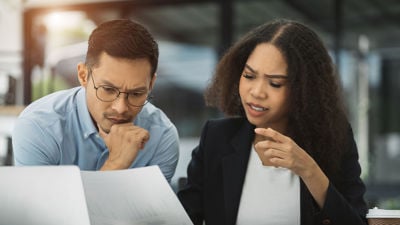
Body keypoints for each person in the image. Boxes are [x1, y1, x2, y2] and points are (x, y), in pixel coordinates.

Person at [178, 19, 367, 225]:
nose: (257, 92)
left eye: (275, 83)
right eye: (249, 76)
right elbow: (183, 218)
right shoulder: (217, 137)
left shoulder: (335, 140)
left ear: (304, 89)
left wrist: (310, 171)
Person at [12, 19, 179, 182]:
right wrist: (116, 164)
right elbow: (46, 209)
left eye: (136, 93)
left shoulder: (162, 138)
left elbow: (150, 210)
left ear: (151, 84)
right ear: (83, 75)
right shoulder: (38, 127)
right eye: (108, 90)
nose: (120, 108)